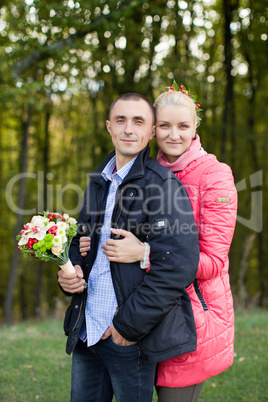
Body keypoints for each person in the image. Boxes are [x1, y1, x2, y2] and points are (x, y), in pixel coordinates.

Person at [80, 83, 238, 402]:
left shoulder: (215, 176)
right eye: (165, 125)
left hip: (192, 313)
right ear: (154, 129)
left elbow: (214, 261)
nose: (173, 135)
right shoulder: (144, 170)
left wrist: (146, 253)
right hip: (147, 310)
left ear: (195, 128)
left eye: (183, 126)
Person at [58, 92, 200, 402]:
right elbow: (79, 241)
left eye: (139, 121)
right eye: (121, 120)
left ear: (151, 132)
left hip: (128, 338)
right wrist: (71, 275)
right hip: (87, 330)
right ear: (109, 126)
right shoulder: (99, 180)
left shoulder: (162, 186)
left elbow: (178, 266)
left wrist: (126, 327)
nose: (128, 129)